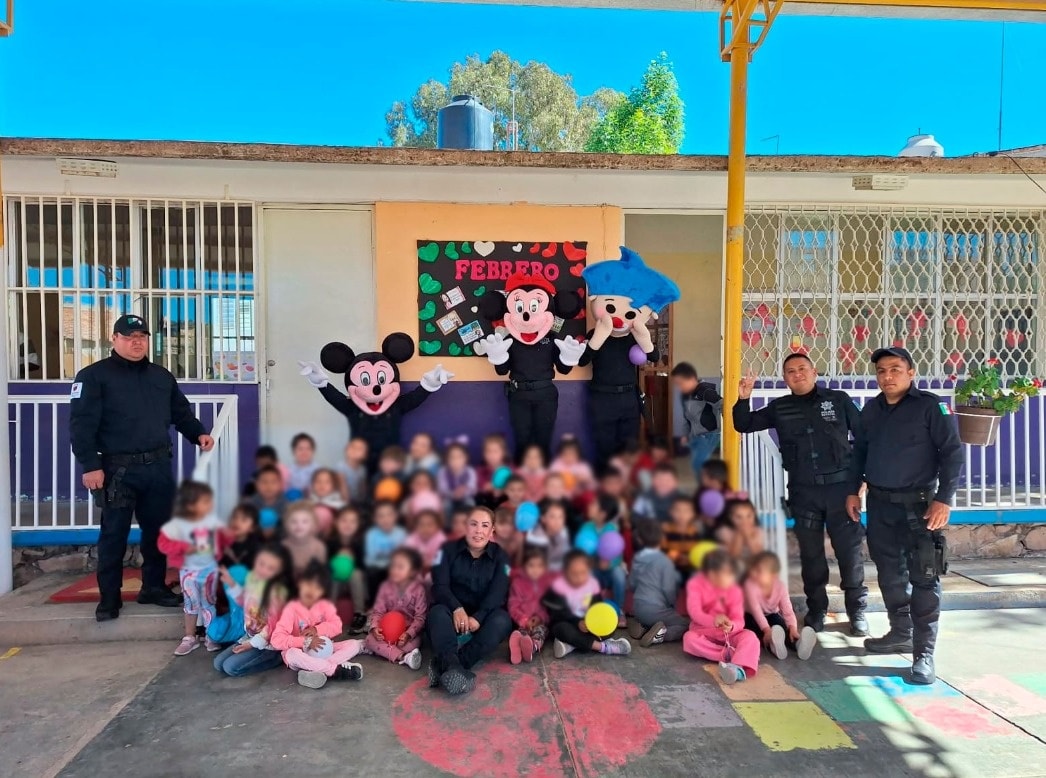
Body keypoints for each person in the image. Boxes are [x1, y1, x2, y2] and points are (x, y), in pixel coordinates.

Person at [69, 314, 214, 622]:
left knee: (158, 533)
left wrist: (198, 433)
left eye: (142, 336)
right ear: (114, 339)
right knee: (114, 535)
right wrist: (90, 465)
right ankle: (109, 598)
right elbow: (81, 427)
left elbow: (181, 412)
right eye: (129, 336)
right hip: (116, 470)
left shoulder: (161, 377)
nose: (136, 342)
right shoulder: (93, 377)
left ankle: (153, 588)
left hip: (158, 467)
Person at [847, 347, 962, 686]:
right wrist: (854, 490)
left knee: (925, 576)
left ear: (911, 372)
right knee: (889, 573)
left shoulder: (931, 407)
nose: (887, 376)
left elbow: (952, 454)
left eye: (895, 369)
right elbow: (860, 452)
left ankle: (923, 654)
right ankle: (900, 632)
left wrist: (944, 499)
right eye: (882, 370)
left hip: (921, 507)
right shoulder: (872, 409)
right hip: (881, 505)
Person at [734, 355, 869, 636]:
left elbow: (865, 438)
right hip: (803, 492)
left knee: (849, 552)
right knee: (811, 555)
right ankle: (817, 610)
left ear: (814, 372)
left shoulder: (838, 400)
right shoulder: (781, 407)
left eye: (802, 369)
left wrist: (863, 481)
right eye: (791, 371)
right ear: (785, 378)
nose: (797, 374)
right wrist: (744, 398)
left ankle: (857, 611)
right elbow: (743, 424)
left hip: (841, 490)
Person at [427, 507, 514, 696]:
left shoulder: (502, 557)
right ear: (465, 527)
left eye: (485, 526)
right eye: (473, 524)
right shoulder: (445, 551)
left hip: (483, 618)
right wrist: (456, 608)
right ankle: (453, 669)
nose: (478, 531)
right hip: (451, 613)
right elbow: (439, 586)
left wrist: (479, 618)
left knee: (502, 621)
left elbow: (498, 593)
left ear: (492, 531)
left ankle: (448, 665)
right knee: (436, 613)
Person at [270, 560, 365, 689]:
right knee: (291, 654)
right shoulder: (291, 609)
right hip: (300, 653)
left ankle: (314, 670)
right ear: (300, 583)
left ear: (323, 592)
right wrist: (305, 642)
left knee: (353, 644)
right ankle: (334, 670)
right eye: (308, 584)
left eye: (318, 588)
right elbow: (276, 640)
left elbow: (337, 626)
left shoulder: (325, 606)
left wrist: (316, 629)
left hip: (324, 650)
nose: (312, 590)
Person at [157, 481, 225, 656]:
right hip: (188, 571)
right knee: (190, 604)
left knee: (209, 603)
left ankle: (212, 636)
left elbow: (224, 542)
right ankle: (189, 637)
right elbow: (163, 544)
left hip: (209, 570)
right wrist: (184, 548)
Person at [213, 543, 295, 677]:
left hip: (269, 642)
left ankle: (278, 657)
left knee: (230, 668)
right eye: (261, 564)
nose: (263, 570)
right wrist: (232, 584)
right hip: (250, 635)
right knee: (218, 664)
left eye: (270, 568)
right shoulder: (253, 580)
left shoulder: (277, 592)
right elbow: (244, 602)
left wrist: (251, 645)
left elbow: (272, 627)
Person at [683, 549, 760, 685]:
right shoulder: (695, 585)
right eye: (727, 574)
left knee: (751, 637)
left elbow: (739, 619)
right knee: (689, 639)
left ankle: (737, 670)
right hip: (703, 631)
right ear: (712, 574)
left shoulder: (735, 589)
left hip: (729, 633)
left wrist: (732, 626)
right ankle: (728, 655)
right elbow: (694, 612)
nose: (732, 578)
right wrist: (713, 620)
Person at [545, 550, 632, 659]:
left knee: (611, 624)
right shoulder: (559, 588)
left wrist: (591, 623)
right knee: (560, 629)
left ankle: (572, 645)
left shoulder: (592, 585)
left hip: (588, 626)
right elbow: (557, 614)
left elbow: (597, 608)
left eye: (583, 573)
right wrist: (578, 623)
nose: (579, 578)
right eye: (574, 574)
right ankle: (602, 647)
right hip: (569, 624)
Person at [743, 551, 816, 661]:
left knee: (783, 630)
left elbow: (787, 609)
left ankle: (798, 645)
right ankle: (773, 646)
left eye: (759, 571)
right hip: (750, 616)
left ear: (773, 576)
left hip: (772, 614)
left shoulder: (781, 587)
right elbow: (756, 610)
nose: (754, 574)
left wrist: (793, 628)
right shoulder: (750, 585)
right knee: (755, 634)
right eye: (754, 570)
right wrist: (767, 630)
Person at [628, 520, 690, 647]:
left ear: (639, 539)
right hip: (655, 609)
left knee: (654, 617)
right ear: (662, 538)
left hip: (638, 608)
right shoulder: (664, 561)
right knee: (684, 624)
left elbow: (632, 583)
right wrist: (672, 605)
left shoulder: (637, 558)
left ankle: (643, 626)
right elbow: (668, 589)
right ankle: (660, 635)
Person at [363, 548, 427, 671]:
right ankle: (404, 657)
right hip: (386, 630)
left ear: (412, 572)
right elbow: (378, 611)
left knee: (411, 645)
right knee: (369, 640)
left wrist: (408, 634)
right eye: (392, 566)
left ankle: (386, 651)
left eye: (400, 567)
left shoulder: (418, 590)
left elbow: (420, 617)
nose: (394, 570)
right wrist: (376, 628)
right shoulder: (385, 587)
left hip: (406, 633)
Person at [670, 362, 723, 477]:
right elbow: (687, 416)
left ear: (691, 378)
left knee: (699, 465)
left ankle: (708, 491)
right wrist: (685, 435)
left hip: (708, 434)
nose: (679, 387)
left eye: (680, 383)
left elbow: (722, 404)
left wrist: (733, 426)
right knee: (697, 465)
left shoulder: (705, 391)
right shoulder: (686, 394)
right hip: (696, 435)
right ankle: (705, 490)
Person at [508, 546, 555, 664]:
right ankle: (516, 651)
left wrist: (540, 618)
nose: (535, 569)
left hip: (541, 623)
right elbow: (513, 606)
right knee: (519, 633)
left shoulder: (547, 584)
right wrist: (524, 620)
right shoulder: (518, 583)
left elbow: (550, 608)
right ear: (524, 566)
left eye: (540, 566)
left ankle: (532, 647)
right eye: (531, 565)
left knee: (540, 632)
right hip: (523, 622)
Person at [326, 506, 368, 634]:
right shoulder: (330, 542)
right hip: (336, 582)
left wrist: (353, 559)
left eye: (352, 521)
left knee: (356, 574)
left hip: (356, 583)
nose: (348, 524)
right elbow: (324, 567)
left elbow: (365, 567)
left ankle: (359, 614)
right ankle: (328, 612)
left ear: (358, 525)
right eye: (344, 520)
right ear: (336, 523)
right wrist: (335, 560)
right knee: (333, 574)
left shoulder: (360, 543)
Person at [364, 501, 408, 598]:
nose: (385, 519)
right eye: (381, 516)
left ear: (396, 516)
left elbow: (405, 557)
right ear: (375, 519)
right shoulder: (371, 534)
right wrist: (388, 563)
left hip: (397, 567)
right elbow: (370, 559)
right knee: (372, 573)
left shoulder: (401, 533)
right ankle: (374, 604)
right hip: (379, 569)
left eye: (389, 515)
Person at [280, 502, 328, 578]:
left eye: (305, 522)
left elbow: (321, 573)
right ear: (287, 525)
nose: (299, 525)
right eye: (293, 522)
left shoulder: (319, 547)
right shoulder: (283, 546)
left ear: (313, 525)